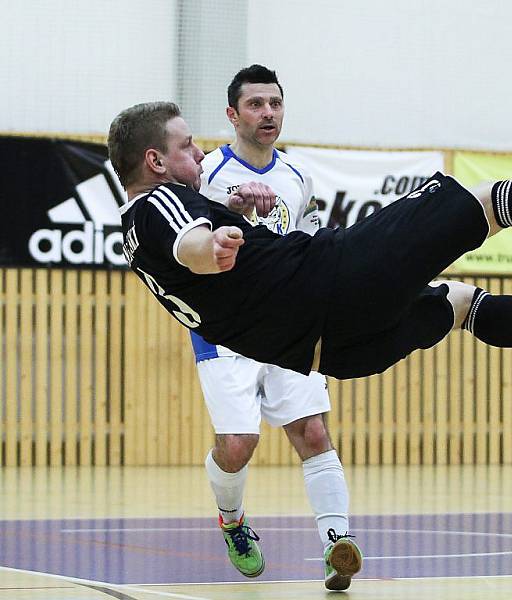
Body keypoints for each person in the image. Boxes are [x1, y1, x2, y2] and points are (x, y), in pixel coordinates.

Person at [110, 100, 512, 440]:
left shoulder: (134, 236)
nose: (199, 152)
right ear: (155, 160)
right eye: (187, 145)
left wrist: (229, 217)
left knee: (459, 304)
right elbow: (190, 241)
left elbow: (187, 252)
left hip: (337, 353)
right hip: (335, 283)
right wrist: (213, 240)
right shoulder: (163, 206)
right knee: (492, 201)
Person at [191, 65, 360, 590]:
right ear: (232, 114)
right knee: (238, 444)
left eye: (275, 104)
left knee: (312, 432)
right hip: (226, 328)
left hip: (288, 324)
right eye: (256, 104)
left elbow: (304, 242)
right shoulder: (207, 175)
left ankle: (338, 546)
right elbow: (190, 248)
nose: (268, 113)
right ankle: (233, 522)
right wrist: (230, 213)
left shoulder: (297, 176)